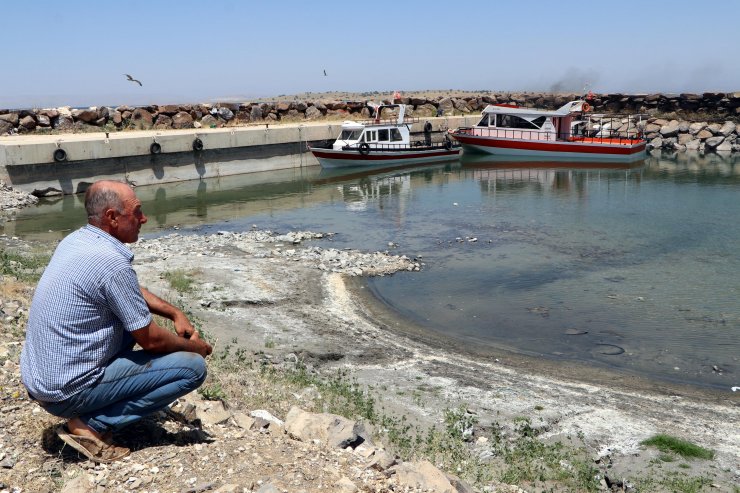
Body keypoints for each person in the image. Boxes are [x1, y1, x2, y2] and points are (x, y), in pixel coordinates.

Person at [20, 180, 213, 463]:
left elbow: (127, 290)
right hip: (64, 391)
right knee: (192, 369)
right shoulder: (111, 263)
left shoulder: (77, 240)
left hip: (41, 379)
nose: (143, 219)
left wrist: (174, 313)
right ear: (111, 217)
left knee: (126, 320)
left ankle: (92, 409)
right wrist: (197, 348)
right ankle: (91, 426)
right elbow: (151, 339)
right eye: (136, 212)